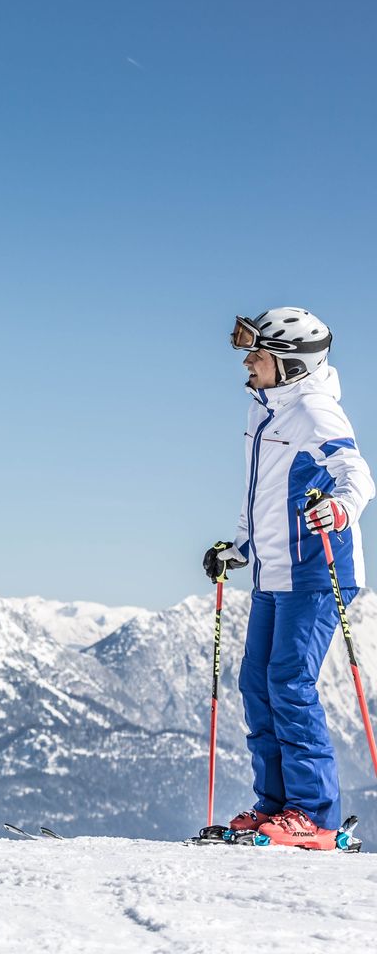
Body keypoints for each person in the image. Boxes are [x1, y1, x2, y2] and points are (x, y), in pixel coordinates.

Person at [203, 307, 374, 849]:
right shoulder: (263, 412)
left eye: (258, 353)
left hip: (317, 571)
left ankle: (315, 814)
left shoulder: (315, 411)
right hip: (273, 570)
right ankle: (275, 806)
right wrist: (239, 547)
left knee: (290, 683)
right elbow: (262, 492)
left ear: (292, 366)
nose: (248, 361)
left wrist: (342, 508)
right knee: (257, 682)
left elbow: (357, 475)